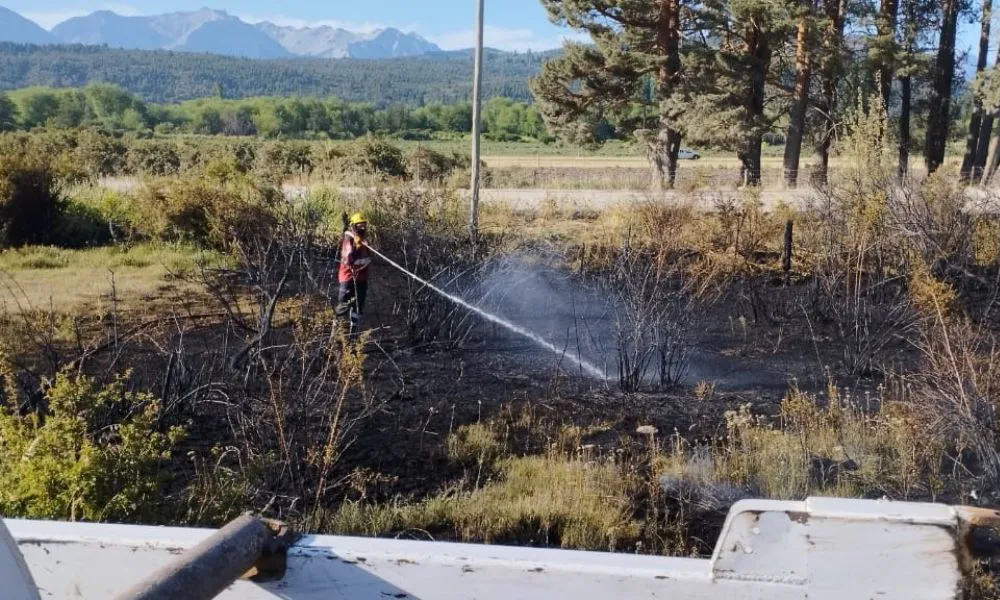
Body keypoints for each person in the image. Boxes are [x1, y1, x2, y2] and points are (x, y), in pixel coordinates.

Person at [337, 212, 372, 336]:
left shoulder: (363, 240)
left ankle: (354, 334)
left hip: (361, 279)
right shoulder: (349, 239)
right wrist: (357, 247)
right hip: (348, 278)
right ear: (353, 225)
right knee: (343, 306)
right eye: (359, 225)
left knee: (358, 307)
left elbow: (368, 258)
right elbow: (350, 260)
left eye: (364, 225)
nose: (362, 227)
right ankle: (338, 334)